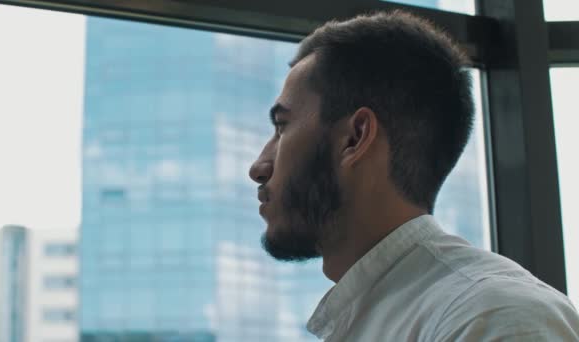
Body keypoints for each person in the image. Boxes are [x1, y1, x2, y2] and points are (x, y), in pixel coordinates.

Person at [248, 10, 579, 341]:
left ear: (355, 138)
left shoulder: (493, 318)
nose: (259, 167)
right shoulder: (407, 314)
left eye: (282, 127)